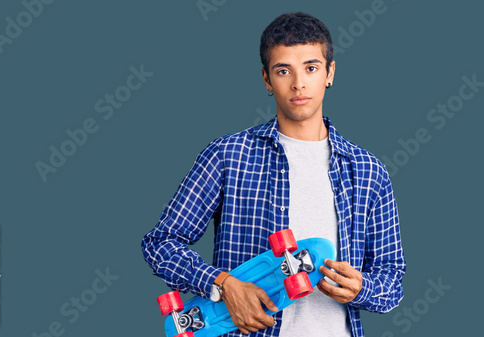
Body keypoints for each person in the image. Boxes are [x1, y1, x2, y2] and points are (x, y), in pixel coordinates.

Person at [142, 11, 406, 337]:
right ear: (267, 79)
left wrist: (361, 288)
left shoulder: (368, 172)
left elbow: (392, 280)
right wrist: (222, 284)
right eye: (284, 70)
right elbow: (160, 243)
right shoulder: (227, 156)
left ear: (330, 73)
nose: (298, 83)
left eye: (311, 68)